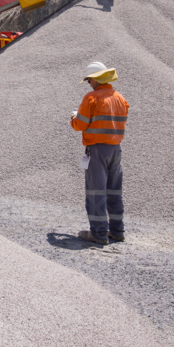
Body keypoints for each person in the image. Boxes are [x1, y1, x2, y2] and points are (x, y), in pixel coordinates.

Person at [70, 61, 129, 245]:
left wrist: (73, 118)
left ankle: (99, 233)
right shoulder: (120, 98)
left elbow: (80, 125)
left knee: (96, 192)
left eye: (89, 81)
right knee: (114, 191)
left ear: (95, 80)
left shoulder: (91, 98)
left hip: (97, 150)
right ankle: (117, 231)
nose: (89, 84)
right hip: (115, 149)